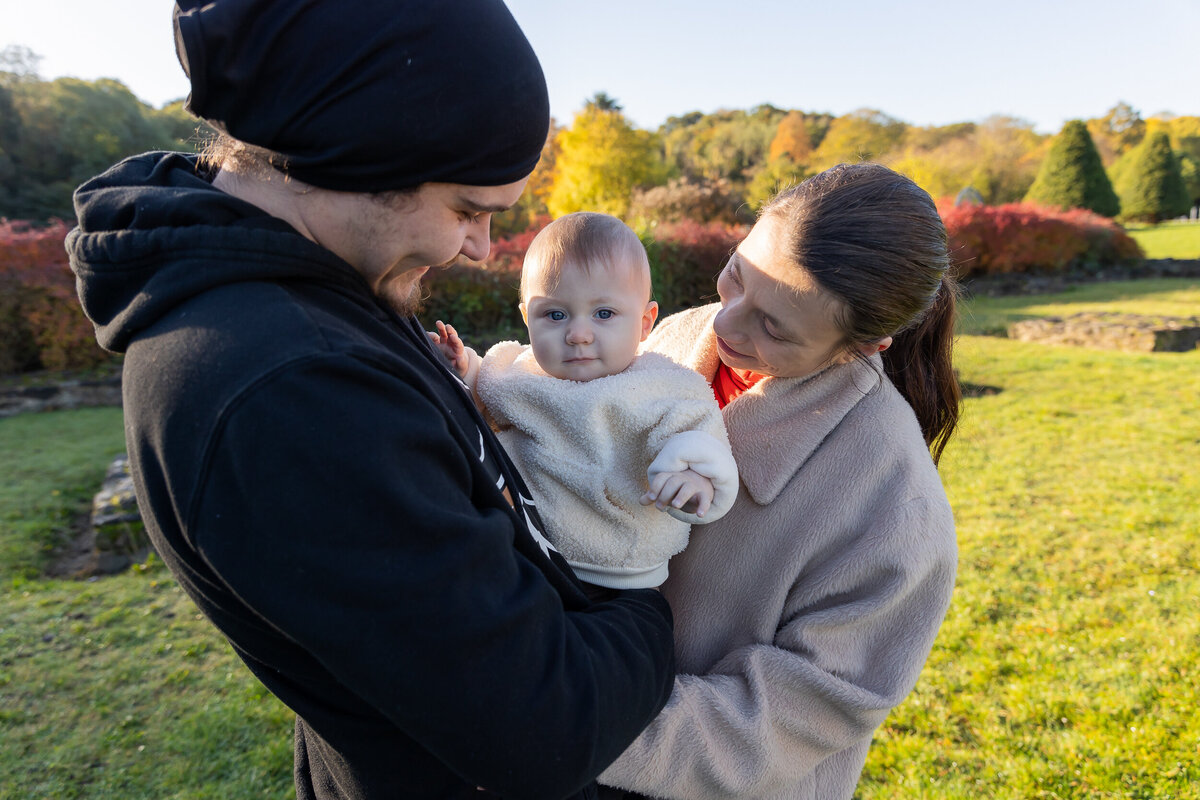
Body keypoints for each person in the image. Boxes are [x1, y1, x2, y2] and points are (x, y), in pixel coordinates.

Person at [66, 2, 675, 799]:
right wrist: (655, 608)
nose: (480, 249)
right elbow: (548, 727)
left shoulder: (324, 300)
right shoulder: (288, 388)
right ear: (361, 156)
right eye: (466, 209)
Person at [597, 162, 962, 800]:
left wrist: (568, 721)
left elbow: (779, 721)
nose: (725, 325)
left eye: (775, 328)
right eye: (738, 273)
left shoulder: (895, 507)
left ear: (869, 343)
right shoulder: (675, 336)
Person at [434, 212, 738, 589]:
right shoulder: (520, 373)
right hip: (522, 553)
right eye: (555, 314)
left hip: (620, 577)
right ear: (528, 319)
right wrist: (462, 369)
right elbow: (483, 401)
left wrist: (693, 477)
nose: (578, 334)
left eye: (604, 313)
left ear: (645, 322)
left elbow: (696, 433)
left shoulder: (661, 385)